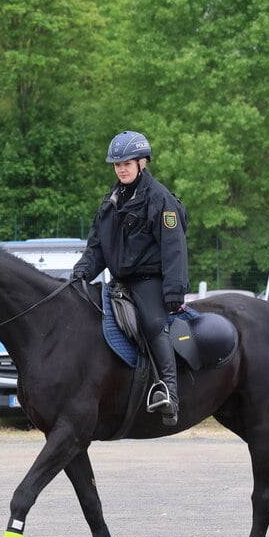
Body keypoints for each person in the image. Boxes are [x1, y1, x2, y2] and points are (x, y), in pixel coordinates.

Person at [71, 131, 189, 426]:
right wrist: (82, 272)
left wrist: (174, 291)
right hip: (119, 282)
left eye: (127, 163)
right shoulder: (110, 202)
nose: (121, 168)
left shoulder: (160, 199)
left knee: (151, 323)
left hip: (149, 281)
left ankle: (170, 394)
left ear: (142, 163)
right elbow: (96, 248)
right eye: (117, 164)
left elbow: (174, 248)